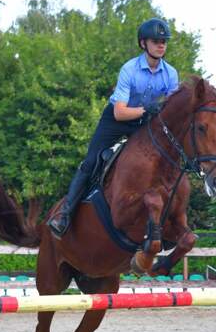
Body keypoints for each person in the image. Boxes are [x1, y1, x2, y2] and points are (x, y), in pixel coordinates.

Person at [48, 18, 179, 237]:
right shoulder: (129, 69)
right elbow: (120, 112)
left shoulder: (171, 74)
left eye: (164, 41)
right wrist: (148, 109)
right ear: (143, 44)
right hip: (117, 120)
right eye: (156, 41)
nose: (161, 45)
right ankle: (64, 214)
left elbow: (172, 108)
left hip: (145, 122)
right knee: (90, 162)